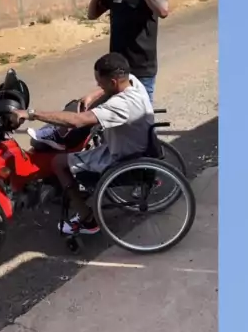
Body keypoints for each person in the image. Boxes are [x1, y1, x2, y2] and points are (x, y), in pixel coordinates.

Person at [15, 52, 154, 237]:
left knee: (58, 163)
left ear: (113, 82)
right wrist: (91, 96)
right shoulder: (133, 82)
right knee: (87, 121)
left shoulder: (121, 104)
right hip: (137, 145)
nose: (98, 85)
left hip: (121, 157)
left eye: (100, 82)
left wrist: (32, 114)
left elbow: (77, 121)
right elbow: (105, 91)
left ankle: (87, 219)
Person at [83, 0, 169, 109]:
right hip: (118, 72)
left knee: (141, 118)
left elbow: (163, 10)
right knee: (116, 117)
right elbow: (92, 14)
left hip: (141, 70)